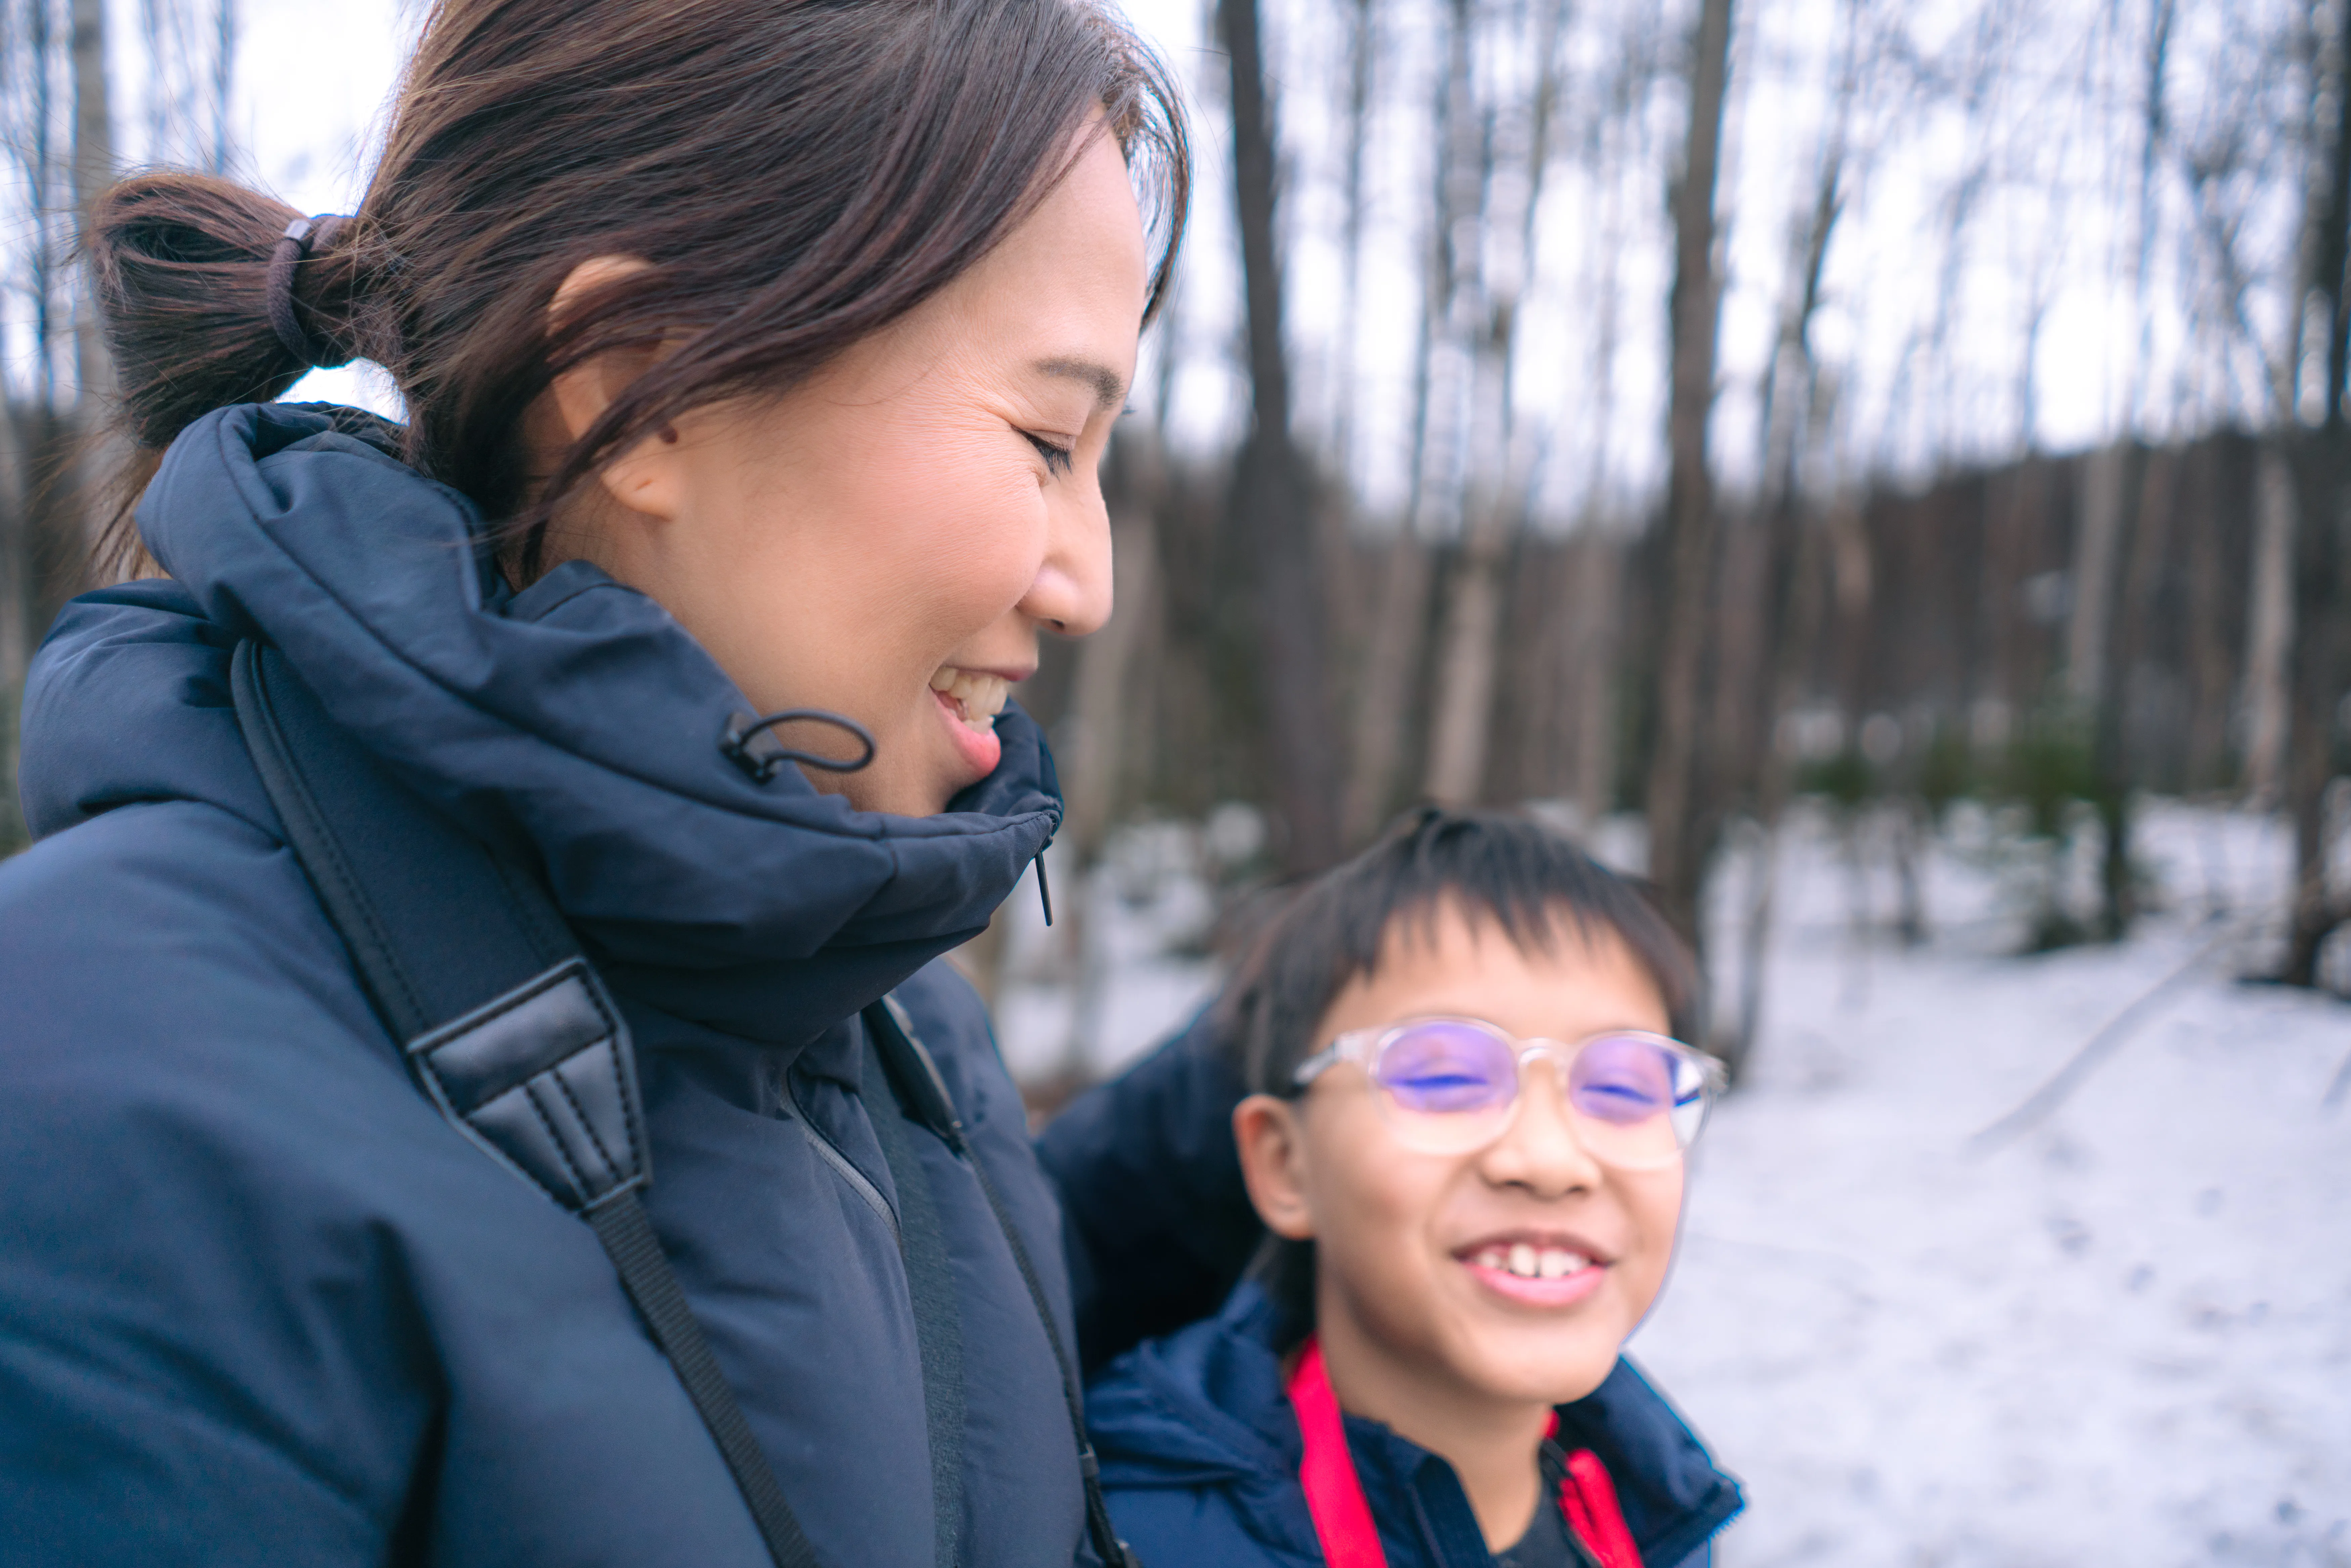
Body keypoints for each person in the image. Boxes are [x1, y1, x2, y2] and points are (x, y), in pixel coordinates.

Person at [0, 1, 1192, 1563]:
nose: (1085, 581)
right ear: (643, 384)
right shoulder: (98, 1046)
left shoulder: (910, 1034)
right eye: (1047, 436)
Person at [1080, 809, 1746, 1567]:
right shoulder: (1128, 1540)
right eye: (1446, 1077)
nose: (1549, 1158)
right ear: (1283, 1165)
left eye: (1626, 1089)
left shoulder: (1656, 1508)